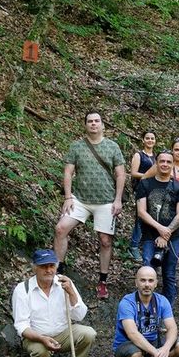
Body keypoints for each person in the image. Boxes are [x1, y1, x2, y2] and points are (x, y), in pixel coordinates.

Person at [55, 112, 125, 299]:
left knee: (105, 240)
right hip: (79, 199)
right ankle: (58, 271)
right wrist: (68, 197)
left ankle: (102, 280)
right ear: (85, 125)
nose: (93, 124)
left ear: (103, 125)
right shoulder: (76, 146)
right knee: (61, 229)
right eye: (90, 121)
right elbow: (68, 172)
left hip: (106, 200)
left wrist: (118, 199)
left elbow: (120, 174)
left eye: (97, 121)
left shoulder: (112, 147)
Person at [12, 249, 96, 357]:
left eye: (51, 266)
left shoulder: (64, 283)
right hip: (36, 337)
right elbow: (21, 326)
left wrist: (71, 292)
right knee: (40, 351)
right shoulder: (23, 289)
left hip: (63, 333)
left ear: (56, 267)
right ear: (34, 268)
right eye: (43, 266)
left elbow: (79, 316)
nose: (48, 270)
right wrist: (42, 338)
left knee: (89, 334)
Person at [113, 266, 179, 357]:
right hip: (129, 345)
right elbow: (132, 333)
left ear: (156, 283)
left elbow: (172, 328)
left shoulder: (162, 301)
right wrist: (157, 354)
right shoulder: (127, 303)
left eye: (151, 280)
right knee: (135, 355)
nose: (147, 284)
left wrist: (165, 350)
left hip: (153, 343)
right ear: (136, 282)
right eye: (143, 280)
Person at [136, 150, 179, 306]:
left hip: (173, 237)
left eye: (168, 162)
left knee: (169, 274)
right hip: (149, 235)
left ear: (173, 164)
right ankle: (144, 307)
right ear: (156, 163)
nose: (165, 164)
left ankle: (166, 309)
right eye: (162, 161)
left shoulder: (178, 187)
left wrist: (166, 233)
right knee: (147, 270)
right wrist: (161, 229)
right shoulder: (145, 184)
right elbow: (141, 211)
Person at [128, 131, 157, 261]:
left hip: (154, 190)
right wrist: (149, 175)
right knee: (140, 218)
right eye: (147, 138)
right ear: (143, 140)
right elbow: (134, 173)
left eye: (152, 138)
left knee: (152, 218)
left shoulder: (156, 157)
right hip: (141, 190)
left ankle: (146, 244)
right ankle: (133, 246)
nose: (150, 140)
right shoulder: (139, 155)